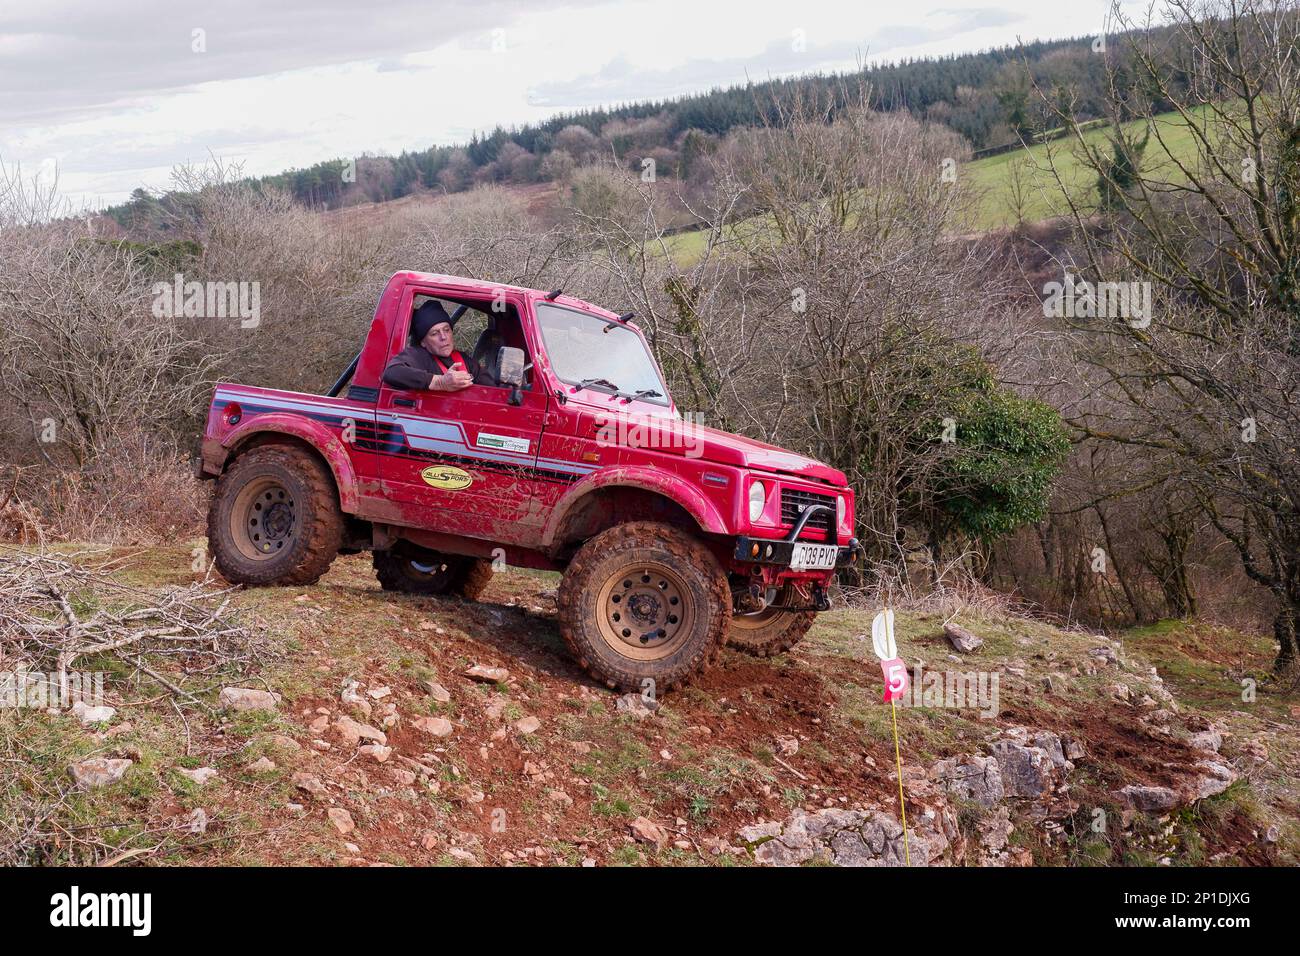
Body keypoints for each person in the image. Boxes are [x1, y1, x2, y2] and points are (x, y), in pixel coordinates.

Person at [382, 300, 491, 392]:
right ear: (423, 342)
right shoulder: (417, 355)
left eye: (446, 330)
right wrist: (440, 382)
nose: (443, 337)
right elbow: (391, 372)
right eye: (434, 333)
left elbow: (491, 389)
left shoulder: (464, 359)